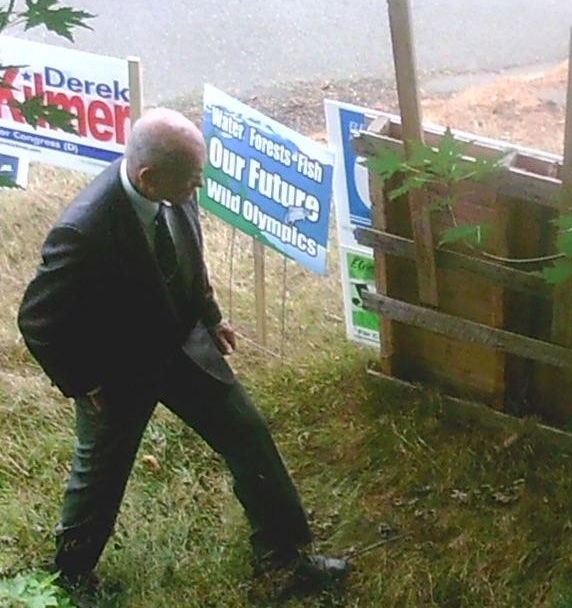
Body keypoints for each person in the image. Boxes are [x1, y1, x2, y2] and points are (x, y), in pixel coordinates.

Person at [18, 108, 347, 599]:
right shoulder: (83, 232)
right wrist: (82, 383)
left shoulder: (175, 187)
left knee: (249, 435)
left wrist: (211, 316)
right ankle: (70, 579)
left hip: (182, 346)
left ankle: (284, 555)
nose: (198, 189)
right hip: (117, 369)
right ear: (149, 180)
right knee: (100, 477)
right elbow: (38, 320)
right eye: (191, 181)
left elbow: (188, 255)